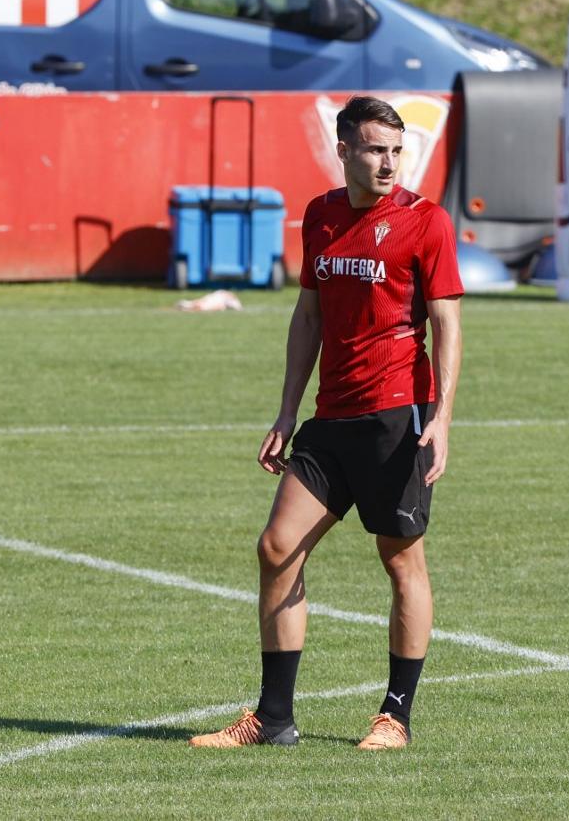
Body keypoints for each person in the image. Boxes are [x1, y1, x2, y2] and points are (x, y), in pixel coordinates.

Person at [189, 96, 463, 751]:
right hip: (329, 419)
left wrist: (443, 416)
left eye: (397, 150)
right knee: (276, 548)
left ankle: (394, 716)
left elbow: (448, 324)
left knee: (400, 560)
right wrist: (287, 409)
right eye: (374, 149)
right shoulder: (321, 216)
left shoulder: (426, 223)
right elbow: (307, 317)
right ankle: (274, 719)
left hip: (398, 418)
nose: (388, 162)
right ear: (344, 150)